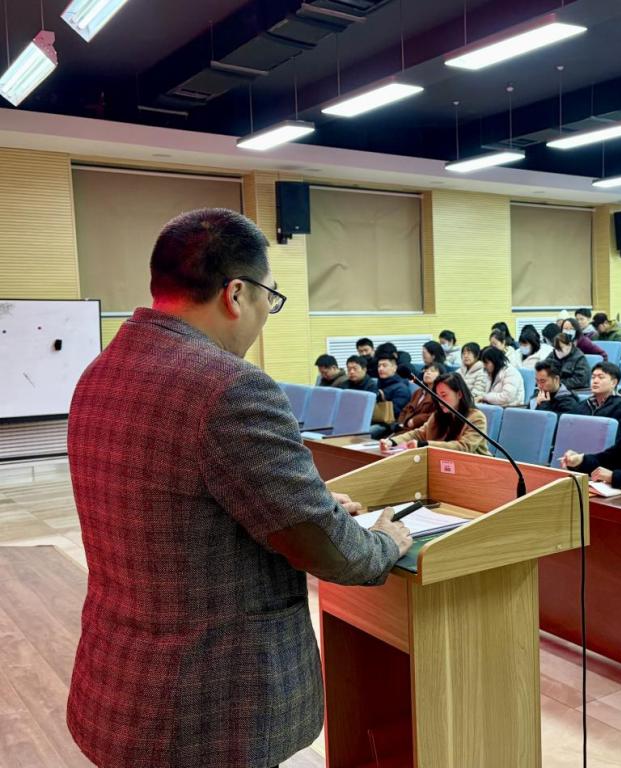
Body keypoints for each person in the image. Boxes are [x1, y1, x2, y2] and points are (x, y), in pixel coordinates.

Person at [65, 209, 411, 768]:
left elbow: (180, 502)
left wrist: (314, 505)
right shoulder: (229, 386)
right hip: (208, 703)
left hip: (121, 678)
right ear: (236, 294)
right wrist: (384, 542)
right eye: (269, 298)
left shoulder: (101, 373)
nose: (266, 315)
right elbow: (326, 549)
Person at [385, 372, 490, 455]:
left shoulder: (476, 418)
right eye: (437, 396)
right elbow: (419, 434)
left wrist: (425, 445)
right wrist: (392, 442)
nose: (440, 401)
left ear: (459, 394)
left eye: (444, 395)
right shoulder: (438, 415)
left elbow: (463, 447)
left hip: (477, 468)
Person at [580, 362, 621, 430]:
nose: (595, 381)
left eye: (601, 377)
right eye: (593, 377)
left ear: (613, 382)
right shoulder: (583, 404)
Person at [370, 352, 411, 439]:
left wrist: (383, 398)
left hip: (389, 424)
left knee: (365, 432)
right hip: (374, 419)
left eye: (384, 366)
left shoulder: (401, 388)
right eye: (379, 366)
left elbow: (396, 413)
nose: (380, 369)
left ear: (394, 368)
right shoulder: (377, 384)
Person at [393, 362, 442, 434]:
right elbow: (405, 409)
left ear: (441, 375)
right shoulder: (418, 392)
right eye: (426, 371)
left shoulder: (440, 394)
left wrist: (416, 420)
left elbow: (437, 414)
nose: (428, 373)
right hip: (404, 428)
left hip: (421, 431)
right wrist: (400, 423)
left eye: (432, 371)